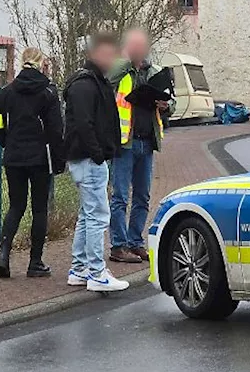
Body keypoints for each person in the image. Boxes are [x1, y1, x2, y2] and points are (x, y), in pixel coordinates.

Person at [63, 33, 131, 292]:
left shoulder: (91, 82)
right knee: (98, 216)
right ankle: (96, 272)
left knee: (87, 214)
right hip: (90, 160)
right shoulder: (86, 85)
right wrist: (97, 153)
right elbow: (84, 123)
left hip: (88, 158)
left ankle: (79, 269)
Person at [0, 48, 64, 279]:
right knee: (39, 209)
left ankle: (3, 255)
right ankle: (35, 262)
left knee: (16, 206)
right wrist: (59, 160)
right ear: (42, 64)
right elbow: (55, 130)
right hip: (40, 159)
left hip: (14, 158)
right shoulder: (48, 93)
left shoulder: (5, 93)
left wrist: (8, 143)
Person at [106, 29, 172, 264]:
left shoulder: (154, 73)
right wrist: (127, 62)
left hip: (147, 142)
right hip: (125, 142)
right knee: (120, 196)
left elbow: (169, 105)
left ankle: (136, 243)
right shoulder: (121, 70)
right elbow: (107, 83)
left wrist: (165, 106)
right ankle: (118, 245)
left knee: (142, 197)